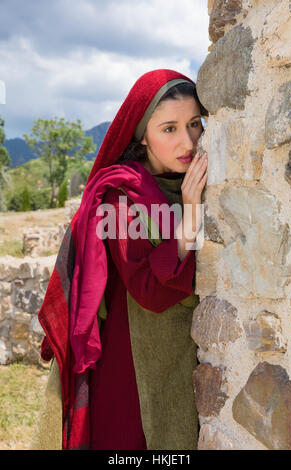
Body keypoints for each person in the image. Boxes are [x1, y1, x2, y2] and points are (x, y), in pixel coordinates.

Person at [31, 69, 208, 450]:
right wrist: (190, 217)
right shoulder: (122, 196)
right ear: (142, 135)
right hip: (131, 365)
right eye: (169, 128)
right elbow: (149, 290)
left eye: (195, 124)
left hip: (182, 359)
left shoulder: (189, 181)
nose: (188, 140)